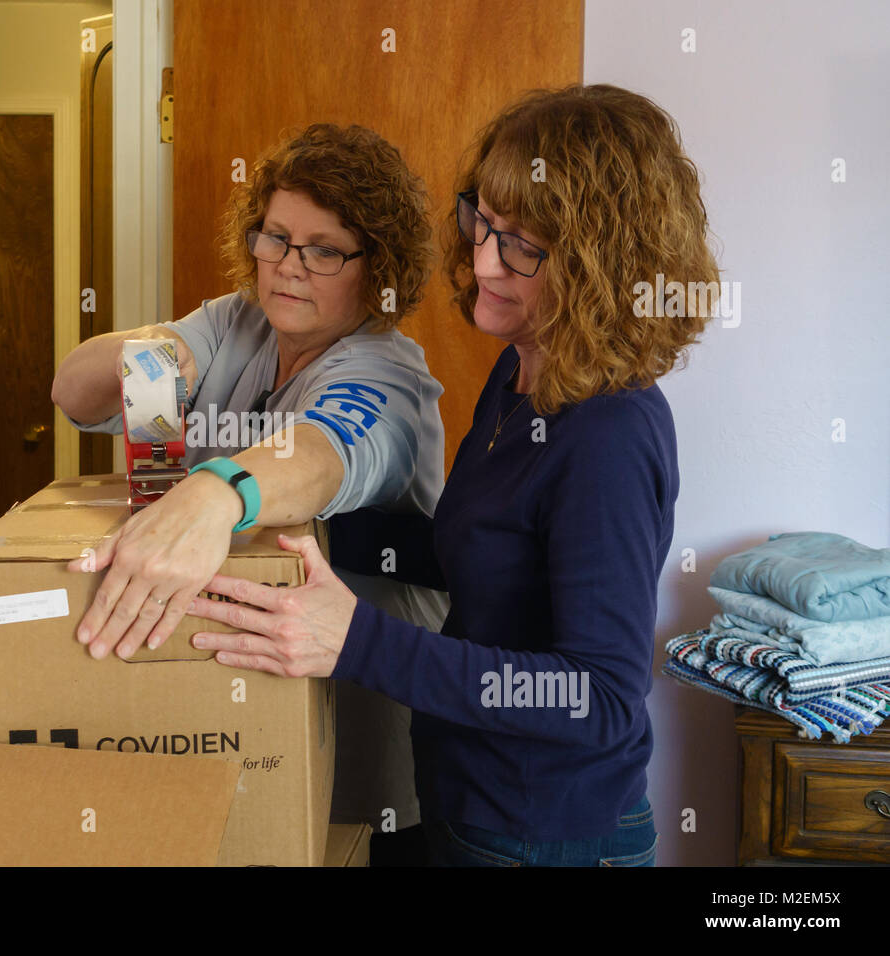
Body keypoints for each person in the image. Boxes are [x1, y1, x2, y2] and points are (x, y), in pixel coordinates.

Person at [186, 84, 721, 866]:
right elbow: (479, 551)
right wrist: (283, 524)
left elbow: (597, 697)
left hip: (548, 835)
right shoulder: (521, 375)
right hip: (471, 804)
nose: (482, 262)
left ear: (604, 265)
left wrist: (357, 639)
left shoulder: (608, 432)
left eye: (522, 249)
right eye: (484, 224)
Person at [52, 123, 449, 847]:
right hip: (239, 703)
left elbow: (321, 455)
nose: (289, 266)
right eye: (275, 237)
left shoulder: (387, 373)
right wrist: (151, 351)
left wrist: (214, 493)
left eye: (325, 250)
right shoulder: (236, 322)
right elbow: (74, 393)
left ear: (376, 264)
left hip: (361, 727)